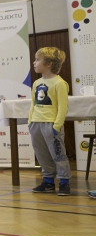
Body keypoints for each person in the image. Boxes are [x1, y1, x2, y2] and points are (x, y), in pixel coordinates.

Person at [28, 47, 72, 196]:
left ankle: (64, 182)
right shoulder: (36, 83)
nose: (34, 62)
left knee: (58, 154)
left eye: (37, 59)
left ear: (49, 64)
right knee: (41, 154)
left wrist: (57, 125)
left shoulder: (59, 83)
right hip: (36, 124)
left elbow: (63, 107)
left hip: (51, 124)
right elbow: (33, 104)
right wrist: (30, 122)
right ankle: (48, 182)